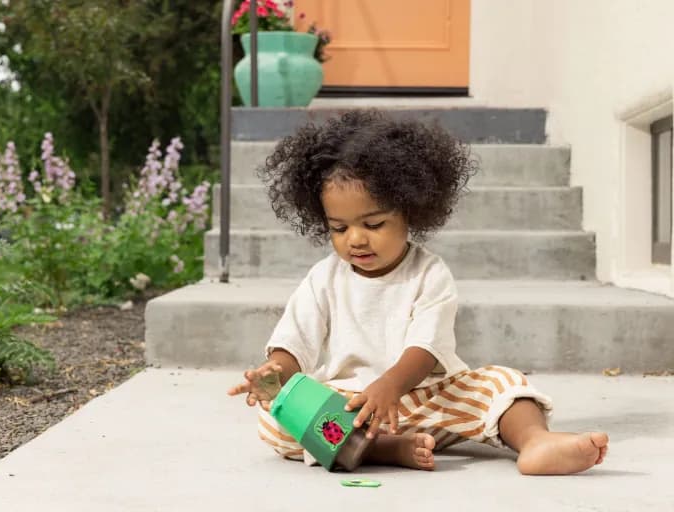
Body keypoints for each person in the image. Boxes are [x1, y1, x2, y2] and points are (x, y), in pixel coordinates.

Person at [227, 110, 609, 474]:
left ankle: (536, 442)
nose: (356, 239)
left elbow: (426, 349)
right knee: (275, 420)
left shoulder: (429, 274)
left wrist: (390, 386)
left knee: (501, 383)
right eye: (339, 229)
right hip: (349, 411)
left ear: (411, 210)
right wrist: (274, 374)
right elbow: (295, 343)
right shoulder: (323, 278)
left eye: (373, 223)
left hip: (426, 397)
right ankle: (379, 448)